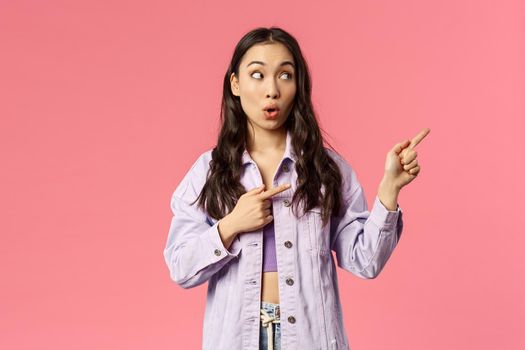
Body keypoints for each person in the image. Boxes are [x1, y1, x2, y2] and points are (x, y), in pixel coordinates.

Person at [163, 26, 429, 350]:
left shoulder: (325, 169)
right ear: (235, 83)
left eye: (285, 76)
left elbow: (365, 260)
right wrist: (232, 224)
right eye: (257, 75)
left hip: (310, 338)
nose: (271, 90)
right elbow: (181, 267)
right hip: (237, 339)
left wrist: (389, 190)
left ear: (297, 85)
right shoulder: (209, 171)